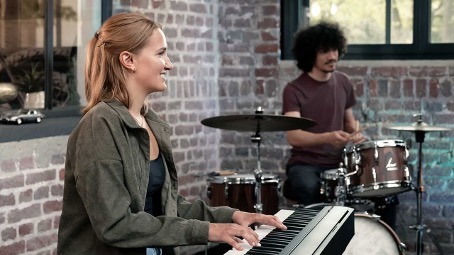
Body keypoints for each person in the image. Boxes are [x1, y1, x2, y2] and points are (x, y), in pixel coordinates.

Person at [57, 12, 286, 255]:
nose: (169, 63)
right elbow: (115, 225)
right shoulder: (99, 126)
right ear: (128, 60)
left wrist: (234, 215)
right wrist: (209, 231)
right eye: (160, 53)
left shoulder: (150, 122)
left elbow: (168, 206)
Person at [281, 21, 398, 229]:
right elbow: (294, 136)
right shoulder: (294, 89)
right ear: (310, 54)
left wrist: (355, 134)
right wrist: (327, 137)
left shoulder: (343, 81)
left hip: (340, 163)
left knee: (388, 193)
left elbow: (350, 123)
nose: (332, 56)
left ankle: (386, 246)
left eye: (335, 49)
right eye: (325, 51)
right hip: (305, 164)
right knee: (309, 188)